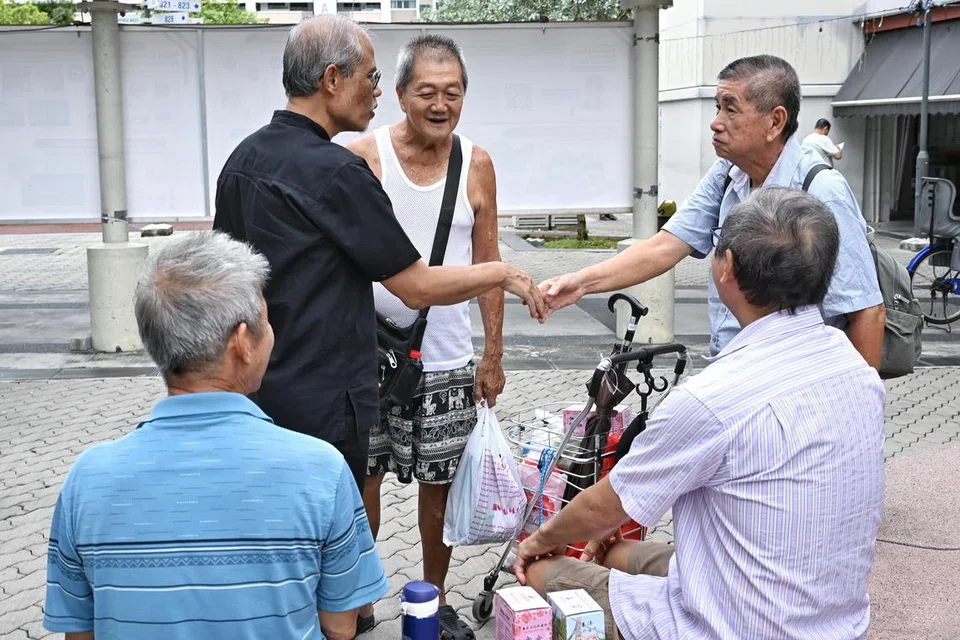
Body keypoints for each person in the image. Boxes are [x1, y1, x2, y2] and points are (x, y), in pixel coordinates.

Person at [514, 187, 887, 640]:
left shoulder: (712, 399)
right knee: (614, 553)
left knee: (542, 570)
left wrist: (539, 541)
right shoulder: (857, 370)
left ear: (726, 267)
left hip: (733, 627)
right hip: (832, 619)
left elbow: (607, 503)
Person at [212, 16, 545, 496]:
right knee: (335, 520)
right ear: (332, 79)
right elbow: (415, 287)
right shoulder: (340, 172)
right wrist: (500, 272)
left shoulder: (242, 161)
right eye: (371, 76)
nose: (377, 91)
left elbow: (227, 285)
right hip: (327, 397)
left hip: (256, 387)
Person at [43, 231, 387, 640]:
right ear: (241, 343)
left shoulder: (87, 479)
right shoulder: (321, 470)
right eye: (266, 320)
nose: (271, 333)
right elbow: (341, 626)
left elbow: (79, 633)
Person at [540, 55, 885, 368]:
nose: (716, 123)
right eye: (718, 108)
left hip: (793, 381)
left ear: (775, 122)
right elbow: (664, 247)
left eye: (730, 110)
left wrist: (857, 406)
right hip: (733, 369)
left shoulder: (821, 191)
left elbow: (868, 311)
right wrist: (580, 283)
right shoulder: (728, 174)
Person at [346, 34, 496, 640]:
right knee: (363, 482)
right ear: (400, 93)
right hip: (367, 357)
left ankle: (433, 601)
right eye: (427, 92)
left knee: (440, 489)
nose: (440, 105)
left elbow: (487, 264)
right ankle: (357, 600)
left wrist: (493, 354)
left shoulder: (476, 163)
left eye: (452, 93)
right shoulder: (364, 156)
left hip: (448, 358)